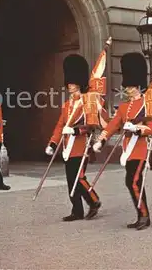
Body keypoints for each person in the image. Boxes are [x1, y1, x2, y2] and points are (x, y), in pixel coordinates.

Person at [93, 52, 152, 231]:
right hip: (128, 151)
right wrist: (101, 140)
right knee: (132, 182)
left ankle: (144, 216)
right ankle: (141, 215)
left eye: (130, 87)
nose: (127, 90)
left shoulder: (148, 104)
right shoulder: (123, 107)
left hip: (141, 149)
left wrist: (137, 128)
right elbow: (113, 125)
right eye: (127, 87)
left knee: (134, 181)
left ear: (138, 86)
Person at [45, 54, 102, 222]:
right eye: (68, 83)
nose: (69, 86)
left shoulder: (86, 102)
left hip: (80, 146)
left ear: (78, 83)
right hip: (67, 148)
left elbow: (91, 125)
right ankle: (77, 210)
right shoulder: (67, 105)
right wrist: (53, 143)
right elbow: (60, 126)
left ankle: (94, 200)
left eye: (72, 83)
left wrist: (77, 132)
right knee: (71, 180)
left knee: (79, 177)